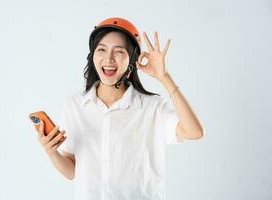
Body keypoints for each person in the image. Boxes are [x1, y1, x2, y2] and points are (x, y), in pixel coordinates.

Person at [37, 17, 204, 199]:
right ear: (92, 55)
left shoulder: (152, 107)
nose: (108, 59)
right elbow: (71, 171)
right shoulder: (74, 105)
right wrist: (52, 152)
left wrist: (164, 77)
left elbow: (194, 132)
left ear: (132, 59)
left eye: (119, 52)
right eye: (101, 50)